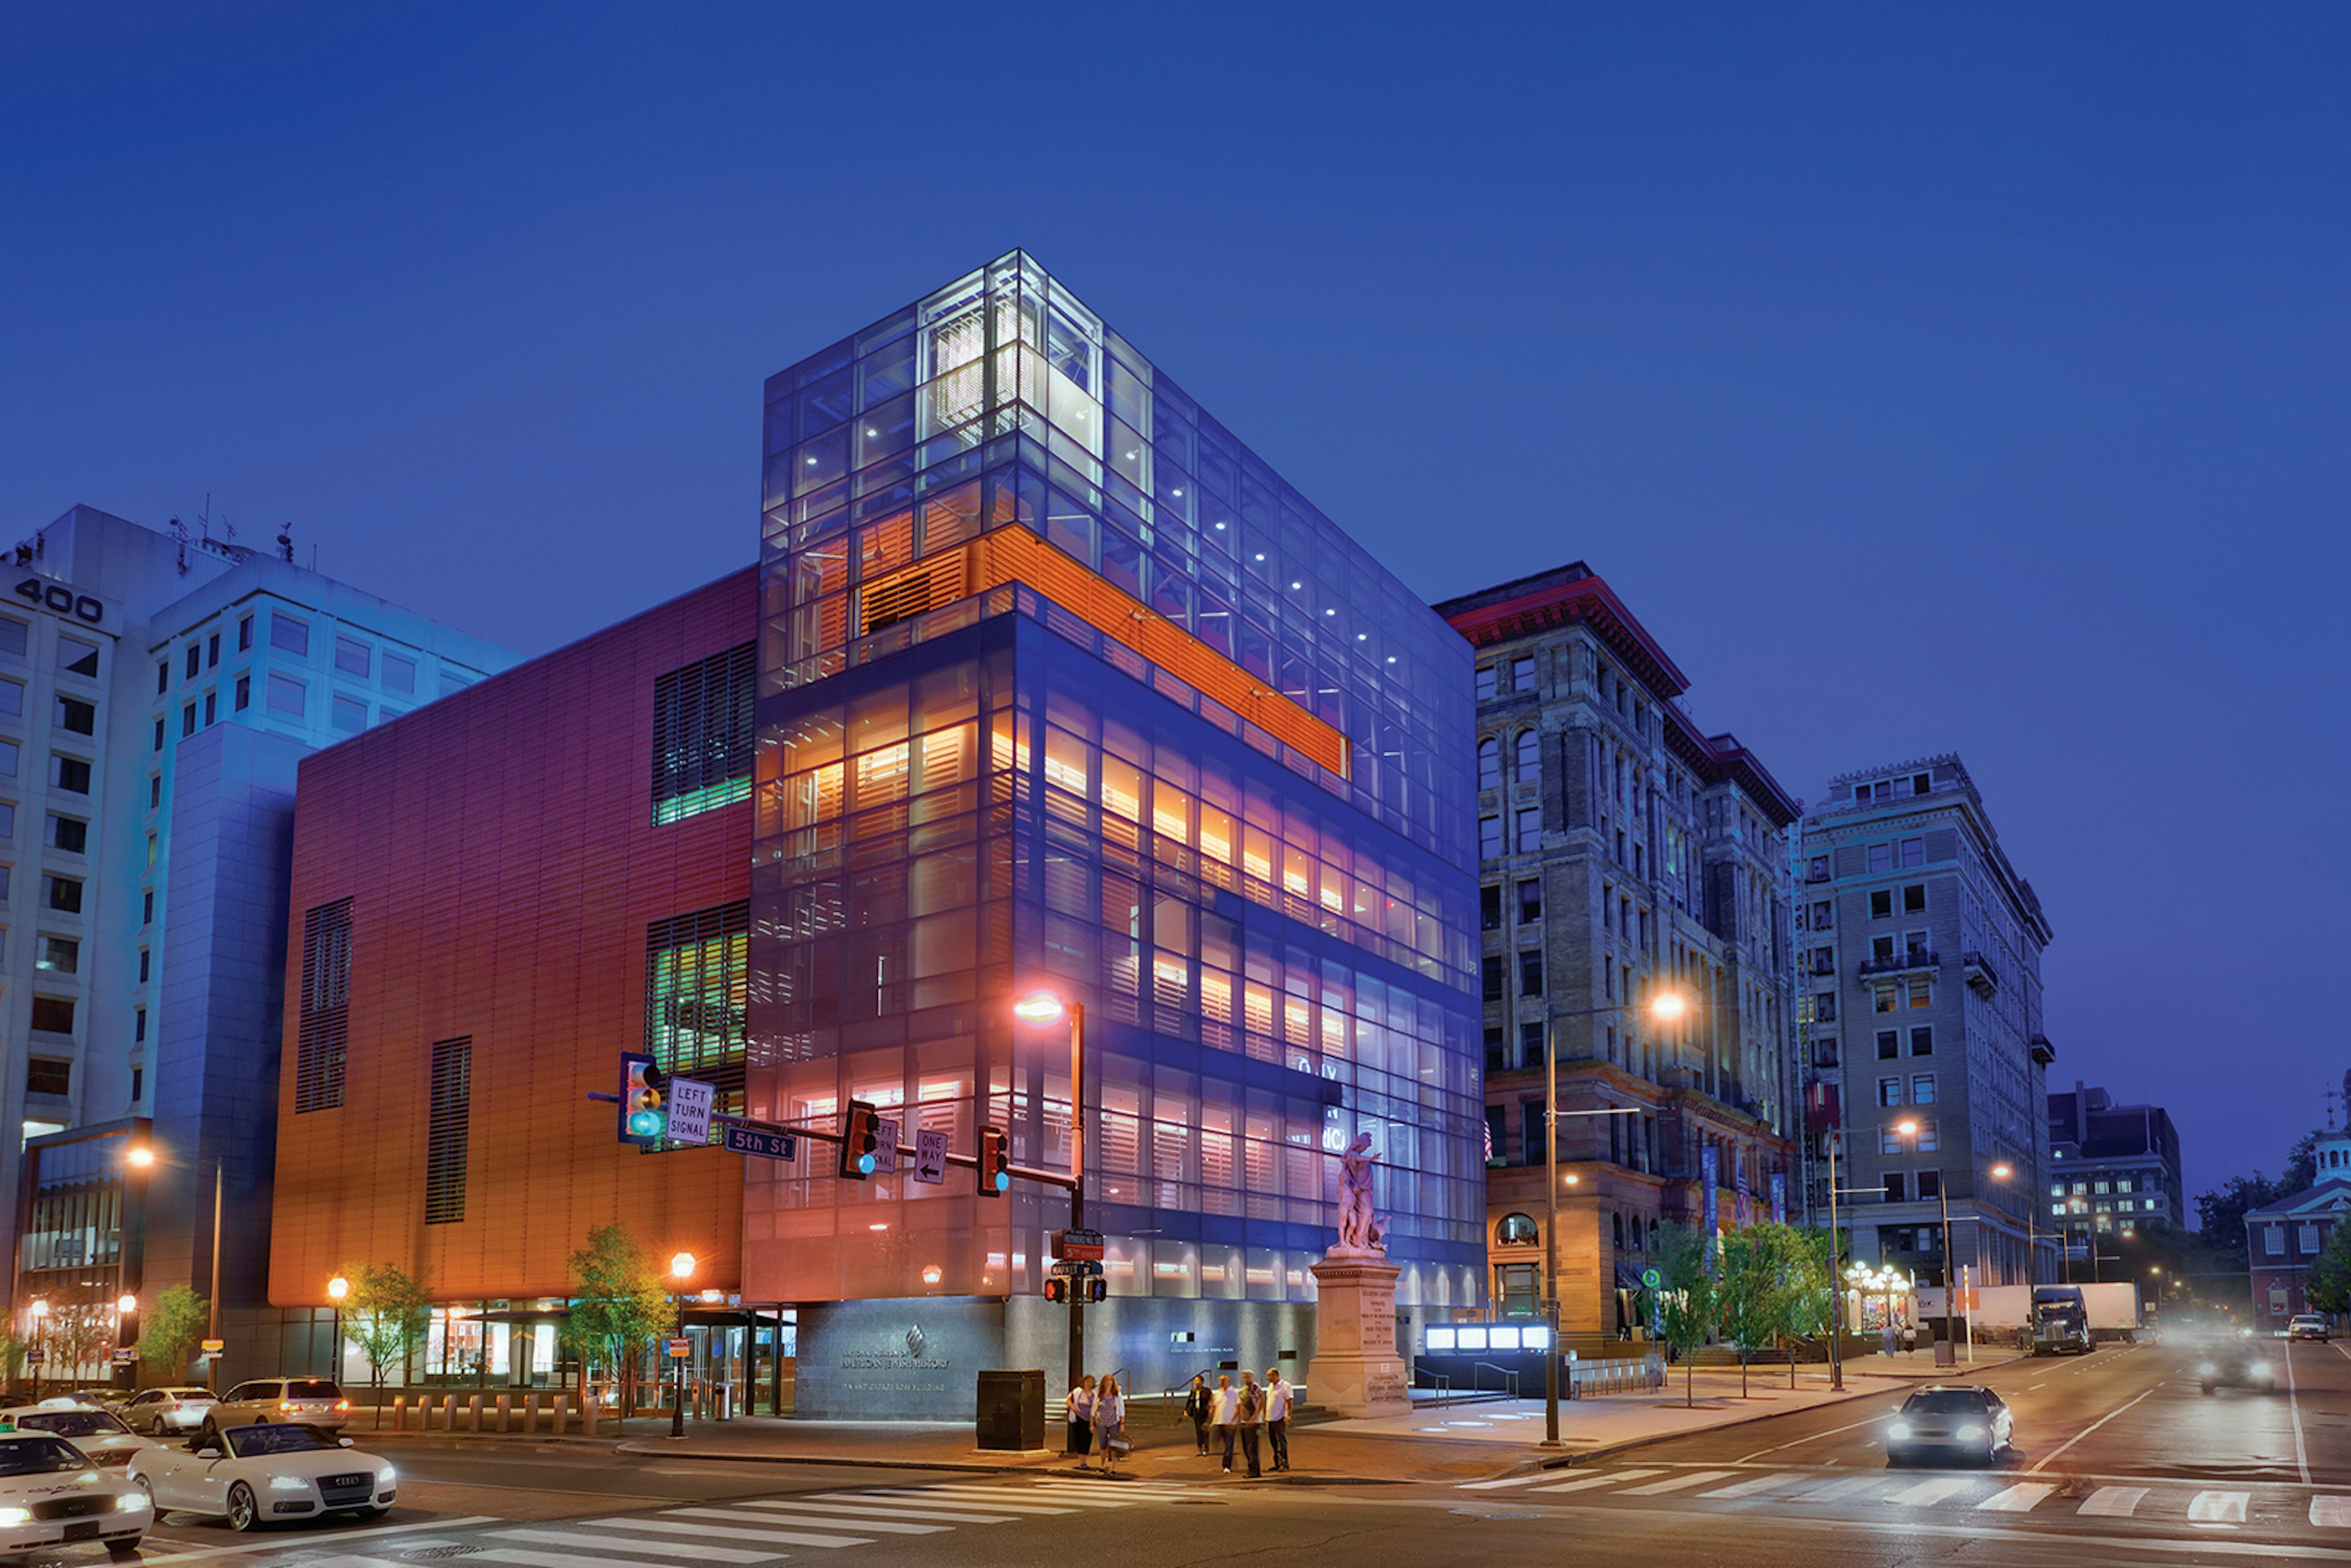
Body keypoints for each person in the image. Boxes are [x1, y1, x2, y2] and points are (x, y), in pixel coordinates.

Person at [1092, 1376, 1127, 1476]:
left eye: (1110, 1381)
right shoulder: (1099, 1395)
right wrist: (1092, 1422)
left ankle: (1114, 1468)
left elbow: (1121, 1410)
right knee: (1103, 1445)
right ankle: (1102, 1466)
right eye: (1106, 1381)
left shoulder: (1117, 1395)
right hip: (1101, 1423)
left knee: (1114, 1445)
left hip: (1114, 1422)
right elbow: (1094, 1408)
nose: (1108, 1383)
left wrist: (1122, 1424)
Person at [1263, 1367, 1293, 1473]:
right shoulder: (1270, 1386)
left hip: (1280, 1418)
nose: (1268, 1378)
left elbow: (1289, 1401)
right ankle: (1277, 1463)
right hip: (1270, 1418)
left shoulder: (1285, 1386)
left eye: (1270, 1376)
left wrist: (1288, 1415)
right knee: (1273, 1442)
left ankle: (1284, 1464)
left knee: (1282, 1442)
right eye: (1268, 1376)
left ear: (1276, 1375)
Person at [1209, 1373, 1240, 1473]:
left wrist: (1234, 1421)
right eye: (1220, 1380)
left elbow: (1238, 1407)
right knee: (1217, 1443)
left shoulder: (1235, 1392)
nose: (1221, 1382)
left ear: (1228, 1381)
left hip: (1229, 1423)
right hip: (1219, 1422)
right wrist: (1212, 1420)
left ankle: (1227, 1466)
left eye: (1223, 1380)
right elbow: (1214, 1408)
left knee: (1229, 1444)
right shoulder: (1217, 1394)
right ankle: (1228, 1461)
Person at [1237, 1370, 1265, 1479]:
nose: (1245, 1379)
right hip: (1245, 1421)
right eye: (1244, 1377)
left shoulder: (1255, 1388)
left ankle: (1255, 1470)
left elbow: (1261, 1400)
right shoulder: (1243, 1391)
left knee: (1252, 1446)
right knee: (1246, 1446)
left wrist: (1255, 1416)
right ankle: (1251, 1468)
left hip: (1253, 1422)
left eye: (1247, 1377)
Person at [1065, 1374, 1096, 1466]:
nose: (1088, 1384)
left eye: (1091, 1382)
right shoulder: (1077, 1391)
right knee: (1079, 1439)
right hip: (1079, 1419)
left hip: (1089, 1419)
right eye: (1087, 1381)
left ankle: (1085, 1459)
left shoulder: (1095, 1394)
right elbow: (1068, 1400)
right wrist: (1074, 1409)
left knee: (1088, 1439)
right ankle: (1082, 1461)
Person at [1183, 1375, 1213, 1456]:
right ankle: (1200, 1447)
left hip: (1205, 1413)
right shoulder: (1193, 1392)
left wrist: (1211, 1410)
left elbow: (1211, 1400)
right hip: (1196, 1413)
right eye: (1195, 1381)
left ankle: (1205, 1448)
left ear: (1202, 1382)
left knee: (1205, 1431)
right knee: (1198, 1431)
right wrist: (1186, 1411)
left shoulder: (1207, 1391)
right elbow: (1189, 1402)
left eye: (1197, 1381)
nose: (1196, 1382)